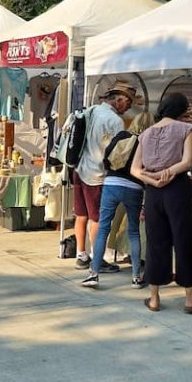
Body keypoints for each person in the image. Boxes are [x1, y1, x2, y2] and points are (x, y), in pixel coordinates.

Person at [131, 92, 192, 315]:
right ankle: (190, 299)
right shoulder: (186, 129)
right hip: (177, 188)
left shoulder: (145, 133)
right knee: (183, 240)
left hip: (153, 191)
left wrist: (152, 179)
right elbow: (186, 163)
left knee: (156, 242)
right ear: (183, 110)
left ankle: (154, 298)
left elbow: (135, 170)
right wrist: (168, 172)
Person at [81, 112, 154, 291]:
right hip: (135, 188)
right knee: (134, 232)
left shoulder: (122, 136)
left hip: (112, 183)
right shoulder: (148, 143)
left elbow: (106, 158)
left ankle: (93, 274)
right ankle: (136, 277)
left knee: (103, 228)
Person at [73, 81, 135, 271]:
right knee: (97, 219)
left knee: (81, 215)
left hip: (79, 168)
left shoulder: (91, 110)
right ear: (119, 100)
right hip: (97, 173)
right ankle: (96, 259)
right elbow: (118, 152)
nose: (128, 108)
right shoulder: (115, 121)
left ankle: (81, 254)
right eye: (128, 103)